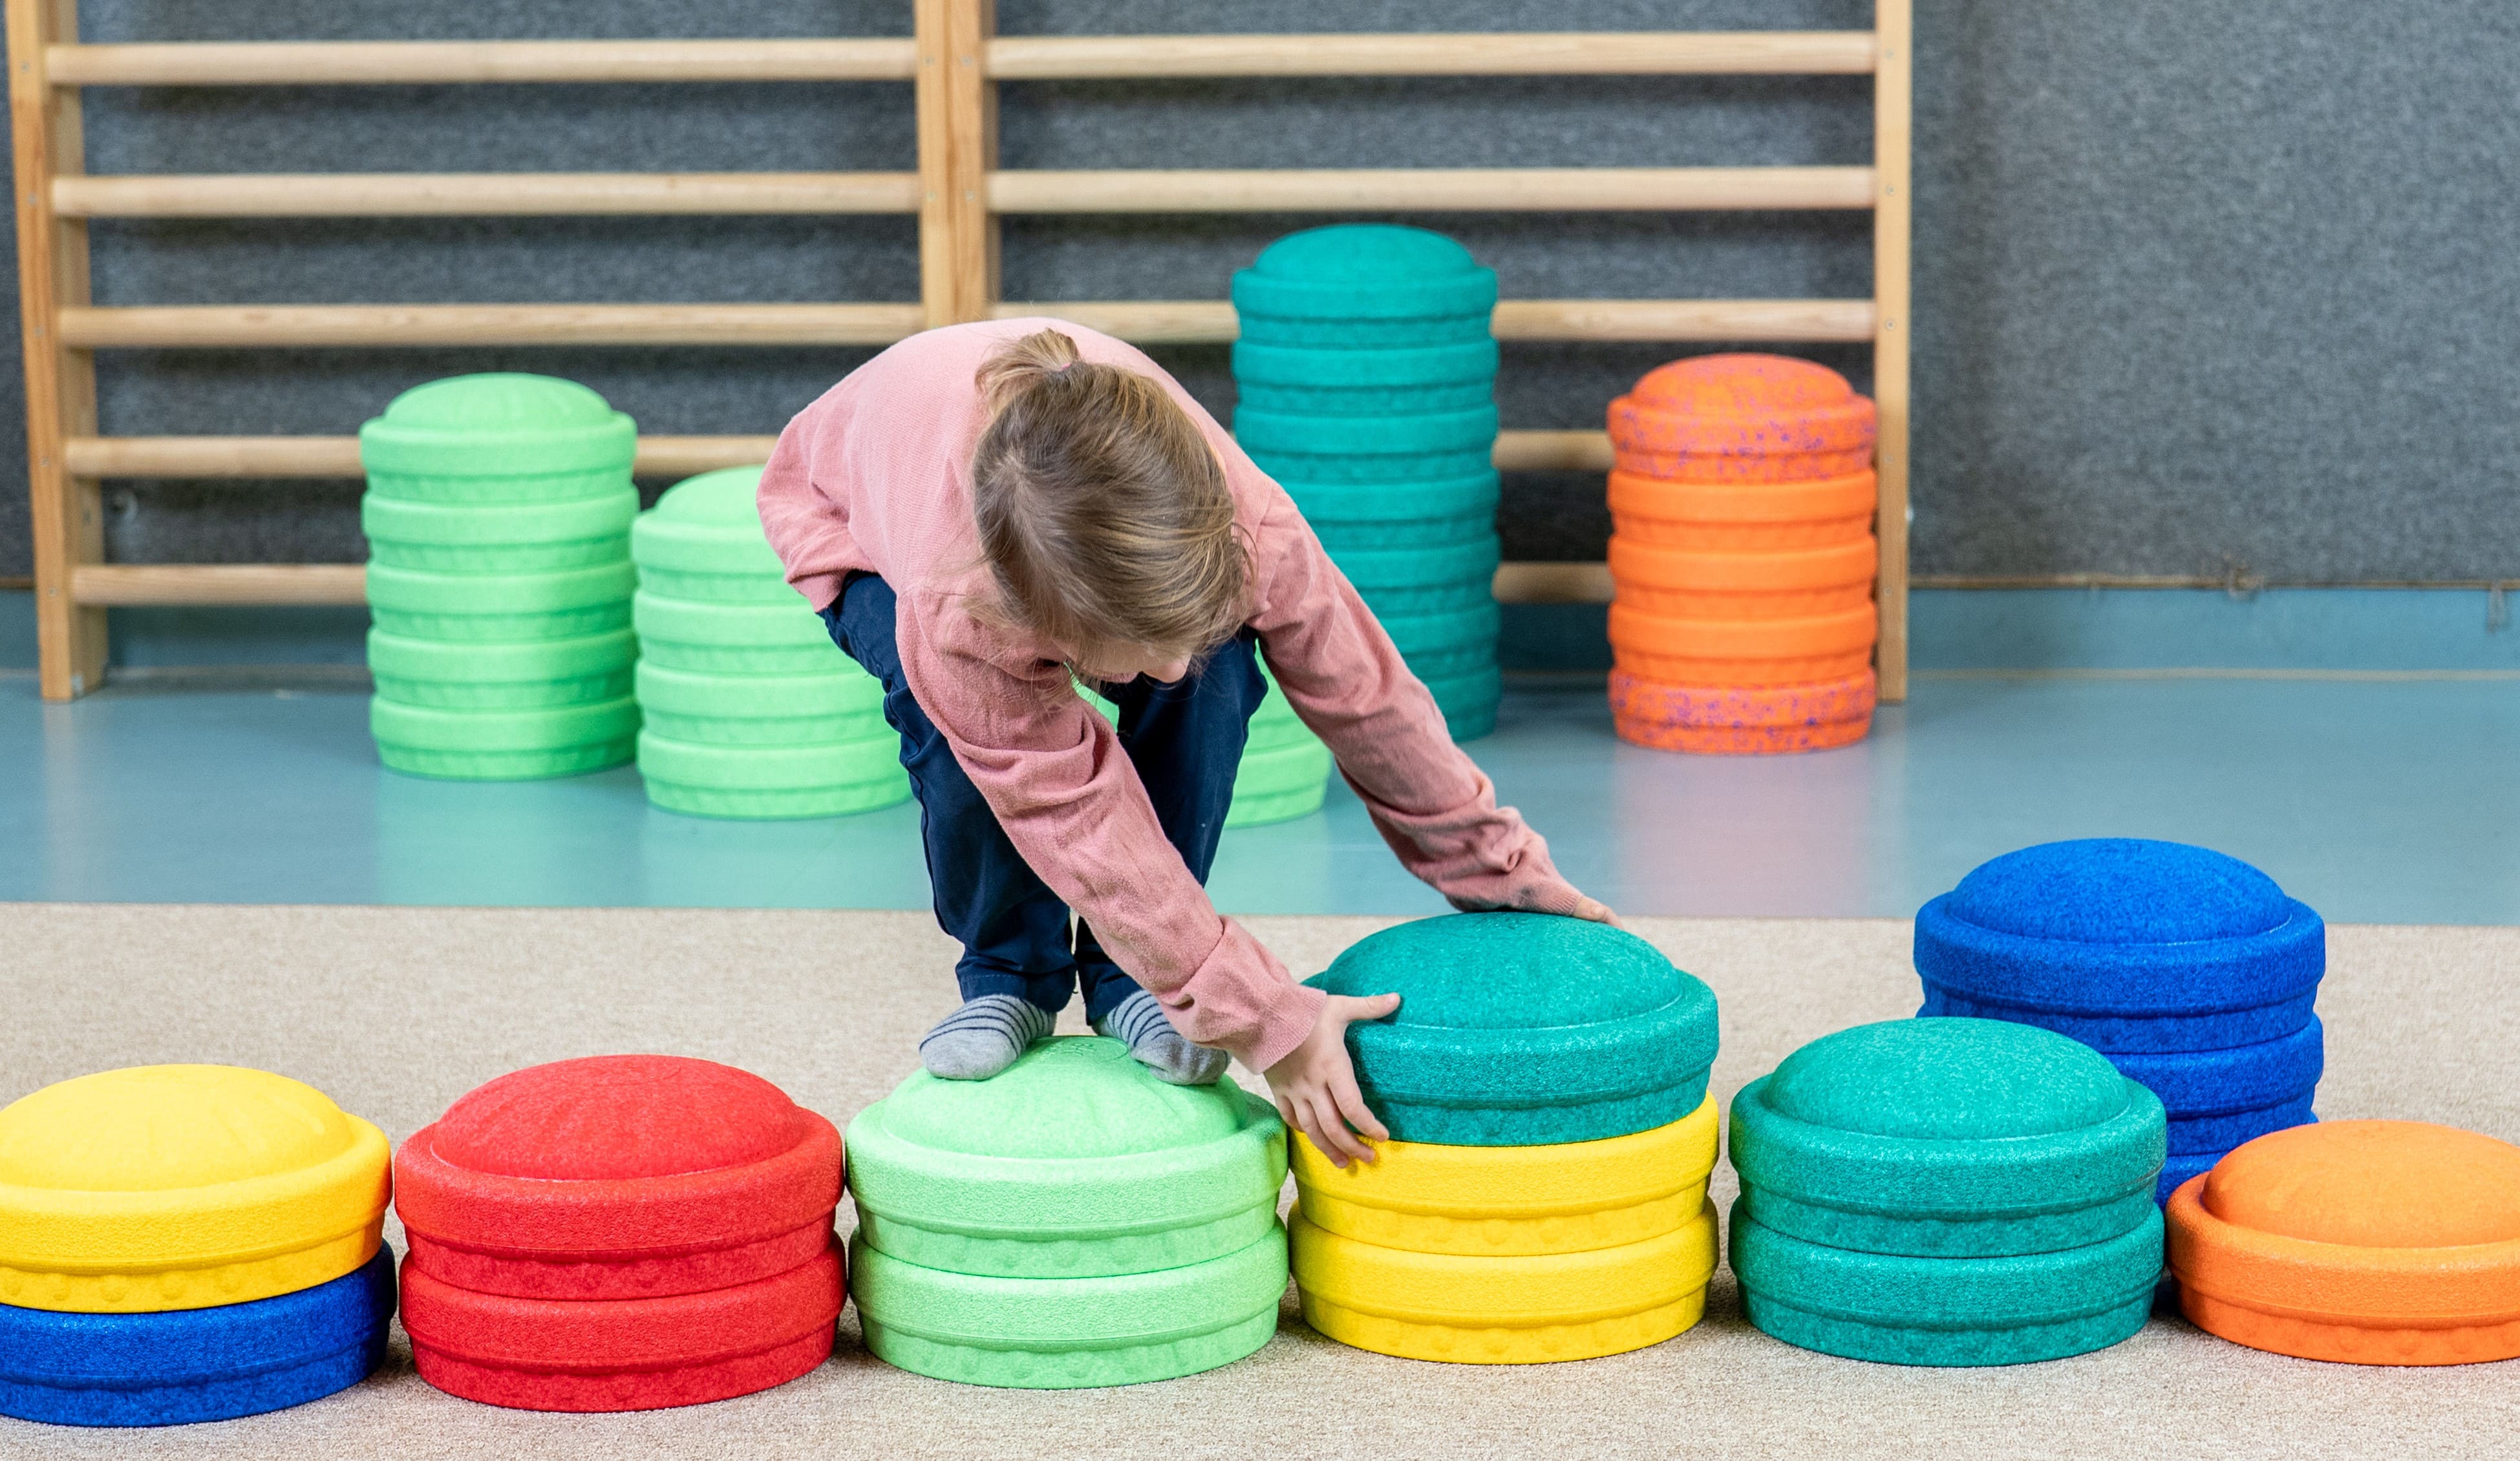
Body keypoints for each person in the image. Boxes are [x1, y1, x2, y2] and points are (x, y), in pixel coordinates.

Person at [758, 319, 1616, 1166]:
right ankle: (1006, 976)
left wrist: (1496, 867)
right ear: (1041, 625)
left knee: (1210, 679)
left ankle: (1135, 980)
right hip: (856, 520)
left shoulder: (1253, 529)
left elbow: (1366, 700)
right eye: (1139, 645)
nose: (1166, 664)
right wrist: (1266, 1019)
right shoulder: (963, 612)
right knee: (957, 740)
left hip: (1072, 516)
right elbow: (1074, 815)